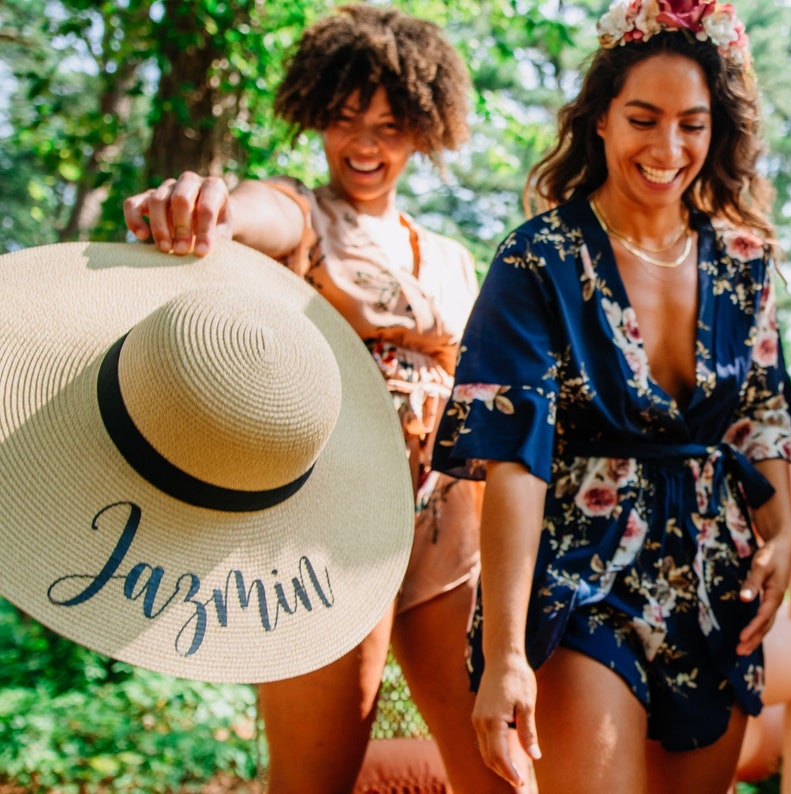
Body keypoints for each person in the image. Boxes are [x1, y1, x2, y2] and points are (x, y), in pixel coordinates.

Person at [123, 5, 528, 793]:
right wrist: (210, 207)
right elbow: (253, 212)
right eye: (345, 120)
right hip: (327, 535)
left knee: (504, 775)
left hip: (450, 531)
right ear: (317, 117)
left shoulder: (448, 255)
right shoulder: (304, 212)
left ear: (424, 126)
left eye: (389, 123)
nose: (365, 144)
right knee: (314, 783)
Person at [431, 1, 791, 793]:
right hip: (580, 577)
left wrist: (785, 531)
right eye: (644, 118)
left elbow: (762, 416)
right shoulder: (538, 260)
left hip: (716, 582)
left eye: (692, 124)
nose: (668, 148)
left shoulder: (745, 262)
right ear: (600, 118)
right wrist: (506, 657)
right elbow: (513, 464)